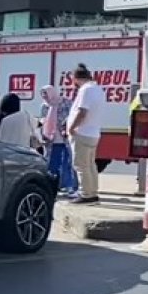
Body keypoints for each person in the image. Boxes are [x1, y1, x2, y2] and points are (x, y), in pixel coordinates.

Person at [67, 64, 105, 204]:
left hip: (82, 132)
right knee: (90, 165)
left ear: (76, 78)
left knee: (81, 165)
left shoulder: (85, 90)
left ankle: (86, 194)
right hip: (93, 132)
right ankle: (93, 192)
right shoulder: (98, 89)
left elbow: (82, 112)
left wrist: (72, 127)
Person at [39, 85, 78, 196]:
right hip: (51, 140)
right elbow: (42, 119)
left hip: (65, 138)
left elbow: (72, 117)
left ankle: (70, 186)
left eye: (46, 95)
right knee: (52, 164)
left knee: (68, 163)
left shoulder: (65, 102)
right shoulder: (44, 106)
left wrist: (65, 127)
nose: (45, 98)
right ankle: (53, 186)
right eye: (43, 96)